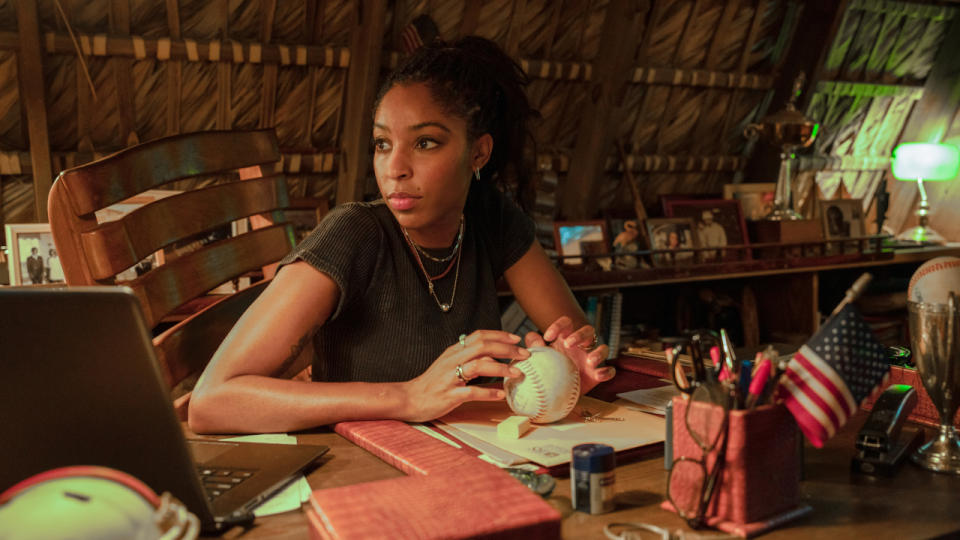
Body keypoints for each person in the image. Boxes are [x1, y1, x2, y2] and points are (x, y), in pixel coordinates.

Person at [189, 37, 614, 434]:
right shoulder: (352, 233)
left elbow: (575, 335)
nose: (395, 168)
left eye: (425, 143)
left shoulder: (491, 218)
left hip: (470, 455)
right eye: (382, 144)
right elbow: (211, 402)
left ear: (478, 152)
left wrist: (569, 365)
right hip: (360, 470)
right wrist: (408, 396)